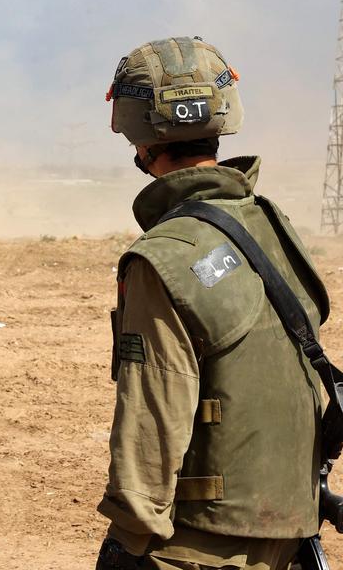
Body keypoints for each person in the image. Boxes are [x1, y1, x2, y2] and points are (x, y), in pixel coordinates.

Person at [96, 37, 328, 570]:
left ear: (136, 128)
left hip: (200, 545)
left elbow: (153, 415)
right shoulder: (271, 225)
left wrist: (129, 540)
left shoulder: (163, 257)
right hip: (289, 527)